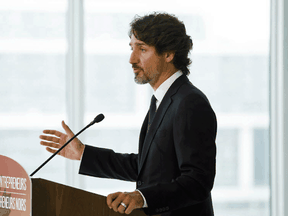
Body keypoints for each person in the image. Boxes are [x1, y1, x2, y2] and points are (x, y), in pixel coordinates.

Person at [40, 12, 217, 216]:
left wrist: (141, 197)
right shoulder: (163, 99)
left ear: (169, 54)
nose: (132, 59)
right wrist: (83, 153)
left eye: (142, 49)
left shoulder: (189, 102)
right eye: (132, 49)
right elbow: (147, 167)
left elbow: (197, 182)